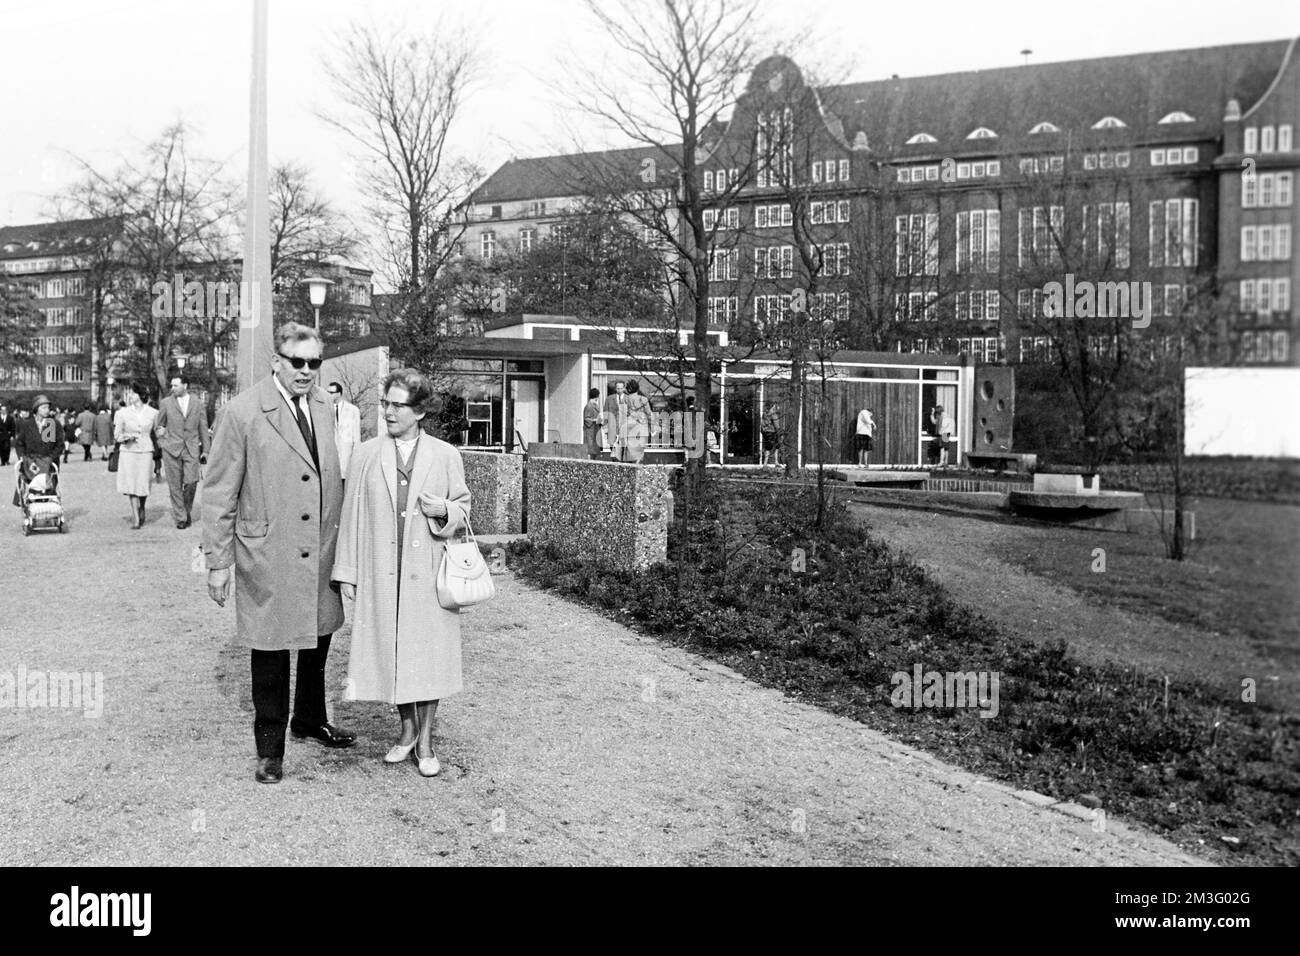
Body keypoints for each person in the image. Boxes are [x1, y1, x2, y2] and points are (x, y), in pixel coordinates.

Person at [202, 322, 354, 785]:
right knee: (269, 648)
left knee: (318, 633)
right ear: (277, 363)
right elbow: (218, 491)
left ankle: (309, 716)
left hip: (319, 547)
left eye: (314, 363)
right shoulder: (244, 412)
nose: (306, 371)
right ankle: (269, 748)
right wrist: (217, 562)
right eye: (297, 363)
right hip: (267, 550)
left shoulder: (326, 407)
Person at [332, 368, 471, 778]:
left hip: (427, 575)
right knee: (394, 653)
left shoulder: (445, 456)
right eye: (386, 404)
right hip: (382, 572)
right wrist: (347, 572)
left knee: (427, 658)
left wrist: (445, 510)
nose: (389, 412)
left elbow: (463, 508)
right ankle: (406, 730)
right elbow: (351, 514)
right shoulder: (367, 453)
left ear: (420, 412)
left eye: (398, 406)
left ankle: (425, 741)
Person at [155, 376, 211, 529]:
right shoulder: (166, 403)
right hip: (171, 449)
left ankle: (185, 511)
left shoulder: (198, 403)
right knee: (174, 485)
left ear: (185, 385)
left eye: (176, 385)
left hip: (191, 449)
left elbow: (203, 428)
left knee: (192, 482)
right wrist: (163, 444)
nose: (173, 388)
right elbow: (158, 426)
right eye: (172, 385)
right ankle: (181, 518)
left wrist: (206, 450)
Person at [114, 382, 157, 529]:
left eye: (133, 393)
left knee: (143, 482)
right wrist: (127, 437)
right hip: (128, 451)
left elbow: (158, 432)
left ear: (141, 395)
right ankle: (136, 517)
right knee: (131, 483)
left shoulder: (153, 413)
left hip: (145, 451)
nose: (130, 396)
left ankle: (142, 506)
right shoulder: (122, 413)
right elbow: (117, 435)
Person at [327, 381, 361, 484]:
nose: (329, 395)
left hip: (346, 455)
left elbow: (356, 435)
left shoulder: (352, 410)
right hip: (331, 457)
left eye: (331, 393)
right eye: (328, 392)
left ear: (339, 393)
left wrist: (356, 456)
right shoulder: (325, 409)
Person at [622, 380, 652, 464]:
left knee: (630, 448)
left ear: (628, 389)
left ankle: (631, 468)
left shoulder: (625, 399)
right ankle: (637, 466)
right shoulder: (643, 399)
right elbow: (649, 414)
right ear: (637, 388)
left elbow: (623, 414)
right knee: (640, 448)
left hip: (630, 425)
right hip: (642, 425)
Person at [602, 381, 629, 461]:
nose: (619, 390)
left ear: (624, 388)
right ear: (615, 389)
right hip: (612, 427)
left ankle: (622, 465)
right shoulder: (609, 399)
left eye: (621, 388)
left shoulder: (628, 399)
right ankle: (615, 465)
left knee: (623, 449)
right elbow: (605, 413)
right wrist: (605, 427)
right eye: (618, 388)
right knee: (613, 449)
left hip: (624, 428)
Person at [582, 387, 603, 459]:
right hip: (590, 431)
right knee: (590, 451)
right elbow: (586, 419)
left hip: (595, 430)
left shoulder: (595, 405)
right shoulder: (589, 406)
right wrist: (595, 420)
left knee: (594, 451)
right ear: (596, 396)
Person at [760, 399, 781, 467]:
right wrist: (779, 431)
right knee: (775, 446)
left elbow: (762, 423)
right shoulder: (773, 413)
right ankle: (767, 463)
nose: (778, 407)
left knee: (769, 446)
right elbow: (776, 424)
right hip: (772, 431)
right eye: (777, 406)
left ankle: (774, 462)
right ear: (774, 406)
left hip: (765, 432)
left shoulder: (765, 413)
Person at [0, 401, 13, 466]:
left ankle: (7, 460)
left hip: (7, 435)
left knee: (7, 448)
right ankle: (2, 461)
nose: (3, 411)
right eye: (2, 410)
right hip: (0, 435)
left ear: (6, 410)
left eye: (4, 410)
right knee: (1, 449)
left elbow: (13, 427)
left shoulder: (10, 418)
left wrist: (12, 435)